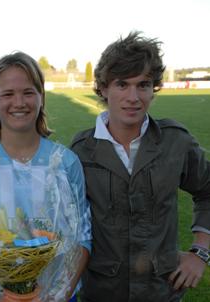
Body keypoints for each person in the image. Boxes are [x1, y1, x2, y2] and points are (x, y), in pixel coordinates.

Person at [70, 31, 210, 302]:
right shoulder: (80, 151)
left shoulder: (176, 142)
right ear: (102, 88)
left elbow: (207, 190)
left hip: (161, 292)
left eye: (143, 85)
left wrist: (200, 252)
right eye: (122, 84)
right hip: (99, 294)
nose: (133, 97)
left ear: (153, 88)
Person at [0, 51, 92, 301]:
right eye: (7, 94)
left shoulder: (65, 162)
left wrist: (59, 295)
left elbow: (83, 237)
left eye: (28, 92)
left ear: (41, 97)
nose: (19, 102)